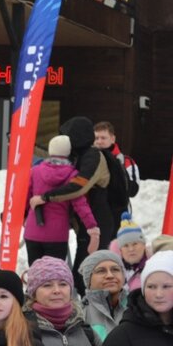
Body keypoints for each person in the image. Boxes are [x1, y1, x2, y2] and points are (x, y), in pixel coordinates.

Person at [39, 116, 118, 270]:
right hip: (86, 222)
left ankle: (99, 295)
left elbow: (79, 186)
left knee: (88, 271)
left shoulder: (93, 156)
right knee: (82, 271)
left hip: (99, 222)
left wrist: (46, 197)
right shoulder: (78, 155)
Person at [24, 135, 100, 264]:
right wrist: (92, 228)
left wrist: (22, 218)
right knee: (55, 276)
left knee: (36, 276)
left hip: (32, 231)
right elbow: (81, 205)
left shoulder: (35, 171)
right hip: (56, 235)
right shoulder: (72, 175)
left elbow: (25, 199)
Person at [93, 121, 140, 200]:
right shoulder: (87, 159)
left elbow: (133, 191)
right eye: (96, 138)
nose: (99, 142)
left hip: (117, 209)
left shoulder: (126, 161)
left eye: (103, 138)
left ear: (112, 139)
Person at [113, 213, 149, 291]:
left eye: (135, 244)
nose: (131, 249)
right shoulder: (113, 270)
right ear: (120, 250)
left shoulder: (154, 265)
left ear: (143, 244)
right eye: (126, 246)